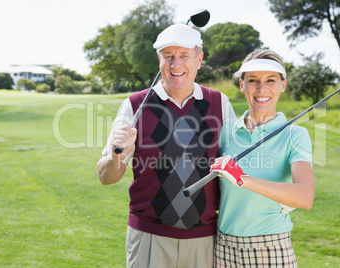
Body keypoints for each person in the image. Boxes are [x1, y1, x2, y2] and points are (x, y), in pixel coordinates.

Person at [97, 23, 236, 268]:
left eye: (184, 56)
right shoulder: (134, 105)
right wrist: (117, 156)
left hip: (204, 238)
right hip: (149, 237)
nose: (176, 64)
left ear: (199, 59)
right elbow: (106, 177)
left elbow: (233, 168)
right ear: (159, 59)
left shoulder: (220, 102)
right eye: (168, 56)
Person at [210, 49, 315, 267]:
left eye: (270, 80)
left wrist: (243, 179)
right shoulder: (226, 131)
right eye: (253, 80)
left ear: (282, 85)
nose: (261, 88)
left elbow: (305, 196)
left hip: (269, 248)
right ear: (242, 85)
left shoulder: (294, 135)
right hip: (223, 247)